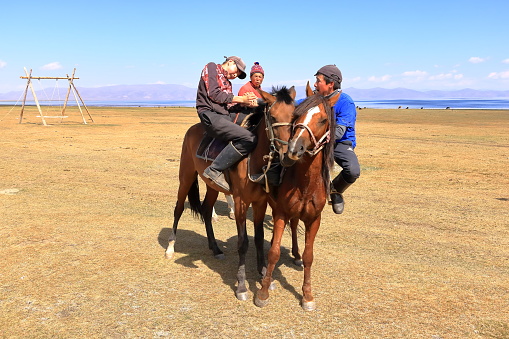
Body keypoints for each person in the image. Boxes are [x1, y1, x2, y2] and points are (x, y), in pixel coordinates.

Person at [196, 56, 258, 191]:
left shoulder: (228, 83)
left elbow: (229, 106)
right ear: (230, 61)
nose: (236, 75)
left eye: (239, 75)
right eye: (237, 71)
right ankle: (214, 169)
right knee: (249, 138)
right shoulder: (212, 67)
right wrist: (241, 98)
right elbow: (214, 94)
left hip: (224, 115)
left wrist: (247, 104)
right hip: (210, 114)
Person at [311, 65, 360, 214]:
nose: (314, 84)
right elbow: (294, 105)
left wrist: (323, 138)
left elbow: (339, 131)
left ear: (330, 84)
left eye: (318, 81)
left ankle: (335, 190)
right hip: (316, 140)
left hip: (340, 143)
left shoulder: (346, 102)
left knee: (352, 170)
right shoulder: (315, 98)